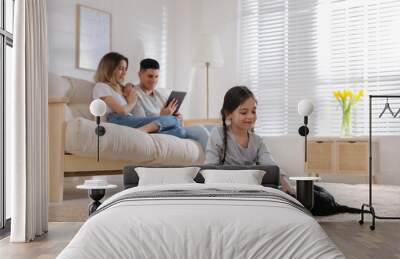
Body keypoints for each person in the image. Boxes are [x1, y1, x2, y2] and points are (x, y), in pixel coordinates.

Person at [205, 86, 364, 216]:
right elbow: (209, 168)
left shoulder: (257, 140)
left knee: (310, 191)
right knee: (306, 201)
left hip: (257, 186)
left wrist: (284, 181)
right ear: (228, 114)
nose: (250, 116)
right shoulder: (218, 134)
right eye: (243, 112)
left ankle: (330, 204)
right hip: (236, 190)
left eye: (253, 111)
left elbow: (270, 163)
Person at [92, 52, 187, 138]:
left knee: (180, 131)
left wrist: (127, 89)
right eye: (121, 69)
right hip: (118, 120)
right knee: (172, 119)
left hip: (130, 120)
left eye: (125, 69)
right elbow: (122, 111)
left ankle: (145, 131)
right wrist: (132, 102)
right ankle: (142, 131)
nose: (124, 73)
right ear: (109, 69)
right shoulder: (101, 87)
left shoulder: (121, 88)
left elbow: (128, 94)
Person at [132, 58, 212, 149]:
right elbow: (140, 123)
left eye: (156, 76)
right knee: (198, 131)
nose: (154, 80)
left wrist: (178, 118)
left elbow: (174, 119)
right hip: (157, 131)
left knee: (209, 128)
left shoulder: (161, 94)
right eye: (150, 76)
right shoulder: (134, 95)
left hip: (172, 126)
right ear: (140, 74)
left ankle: (215, 161)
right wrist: (162, 116)